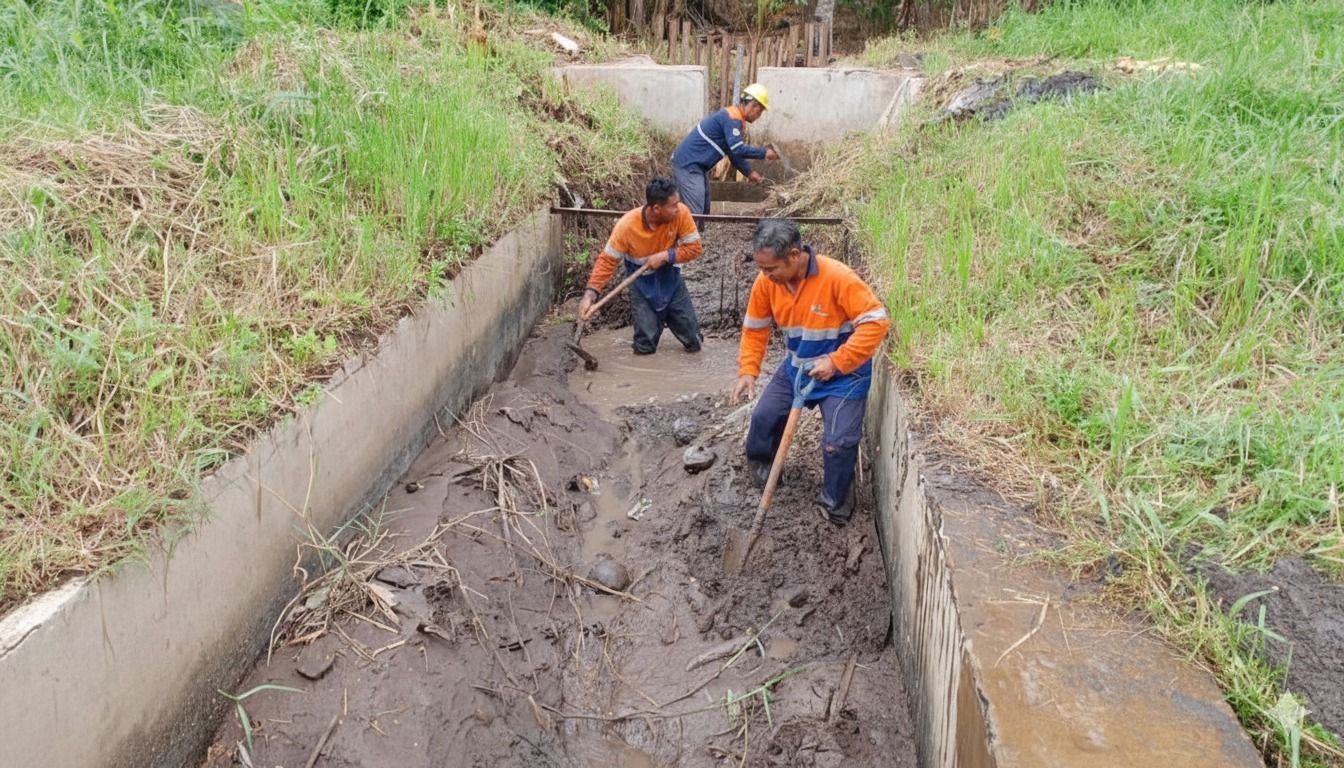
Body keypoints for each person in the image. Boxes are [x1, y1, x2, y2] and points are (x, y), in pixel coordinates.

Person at [731, 218, 890, 526]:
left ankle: (836, 504)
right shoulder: (766, 283)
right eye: (762, 269)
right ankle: (765, 470)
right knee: (763, 419)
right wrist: (748, 371)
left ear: (794, 255)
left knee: (838, 444)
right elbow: (755, 329)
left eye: (771, 269)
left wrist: (837, 361)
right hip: (798, 367)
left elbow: (876, 321)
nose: (765, 275)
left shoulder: (837, 277)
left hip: (844, 375)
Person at [578, 177, 704, 356]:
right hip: (642, 285)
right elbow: (607, 261)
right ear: (656, 208)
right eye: (673, 205)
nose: (678, 208)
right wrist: (590, 295)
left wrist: (665, 256)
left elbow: (695, 249)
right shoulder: (627, 226)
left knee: (694, 341)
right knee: (644, 346)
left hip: (672, 281)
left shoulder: (681, 213)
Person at [671, 83, 780, 216]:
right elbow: (738, 149)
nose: (759, 116)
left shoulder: (734, 118)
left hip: (696, 167)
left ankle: (696, 229)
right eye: (760, 112)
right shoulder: (732, 118)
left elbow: (733, 152)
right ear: (753, 106)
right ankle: (688, 230)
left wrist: (749, 172)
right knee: (695, 212)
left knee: (703, 209)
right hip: (688, 165)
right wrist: (765, 153)